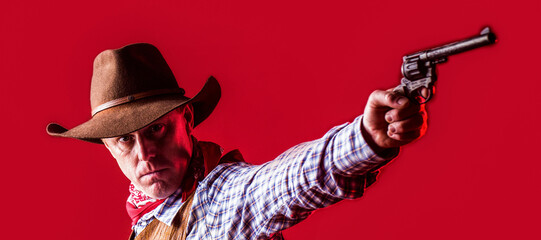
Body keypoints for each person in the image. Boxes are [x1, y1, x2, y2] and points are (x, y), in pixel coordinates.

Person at [47, 43, 427, 240]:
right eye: (125, 140)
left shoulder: (220, 200)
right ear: (109, 148)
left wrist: (365, 138)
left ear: (187, 119)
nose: (144, 153)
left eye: (156, 129)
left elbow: (282, 183)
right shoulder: (145, 221)